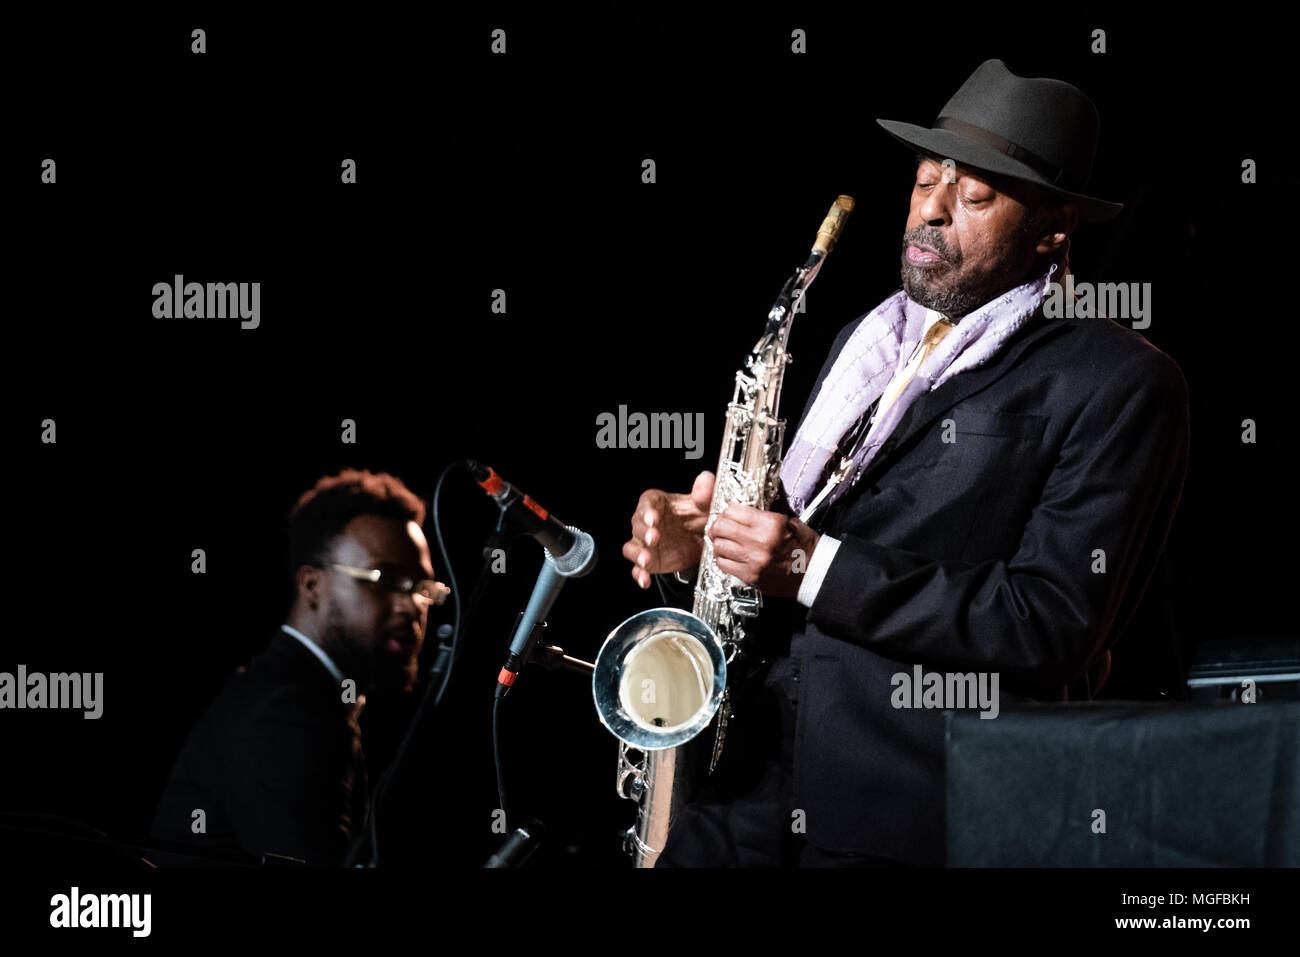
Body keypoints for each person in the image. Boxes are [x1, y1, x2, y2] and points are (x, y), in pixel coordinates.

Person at [622, 60, 1190, 867]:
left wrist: (818, 569)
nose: (931, 210)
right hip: (737, 786)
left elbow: (1052, 619)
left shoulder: (1120, 380)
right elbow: (792, 534)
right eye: (927, 180)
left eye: (977, 196)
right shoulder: (867, 340)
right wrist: (703, 537)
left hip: (906, 820)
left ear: (1055, 228)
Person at [150, 469, 448, 865]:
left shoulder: (300, 696)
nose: (411, 606)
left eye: (421, 587)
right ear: (312, 586)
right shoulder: (286, 713)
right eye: (385, 579)